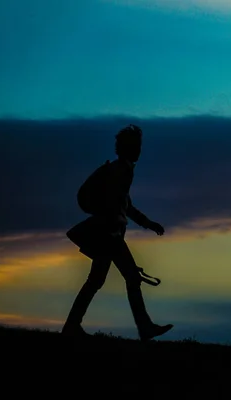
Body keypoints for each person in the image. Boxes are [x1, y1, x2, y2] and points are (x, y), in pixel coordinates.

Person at [62, 124, 173, 341]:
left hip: (109, 233)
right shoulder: (121, 171)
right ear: (129, 148)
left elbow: (126, 205)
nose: (140, 151)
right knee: (129, 278)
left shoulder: (120, 170)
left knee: (97, 281)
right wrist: (117, 231)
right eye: (137, 146)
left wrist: (148, 224)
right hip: (110, 234)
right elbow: (116, 205)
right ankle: (145, 327)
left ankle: (72, 326)